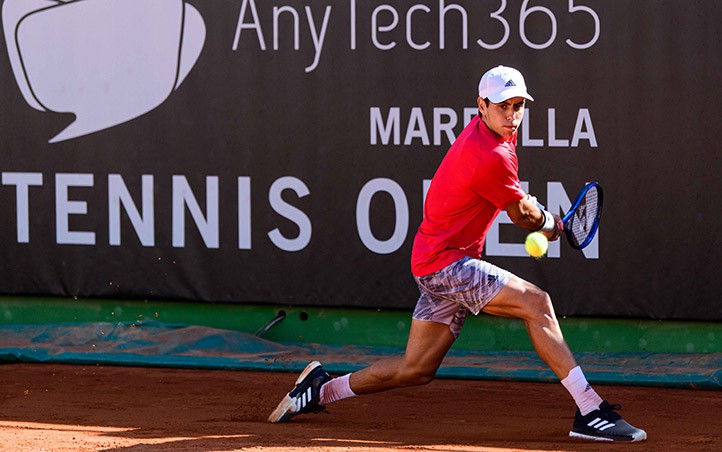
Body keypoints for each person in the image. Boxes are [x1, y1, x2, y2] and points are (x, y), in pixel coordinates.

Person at [267, 65, 647, 443]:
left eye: (518, 106)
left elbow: (516, 205)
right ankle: (591, 410)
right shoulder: (491, 155)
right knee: (538, 303)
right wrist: (553, 224)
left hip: (435, 260)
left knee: (416, 369)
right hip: (445, 264)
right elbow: (521, 216)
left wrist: (536, 213)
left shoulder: (491, 135)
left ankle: (319, 390)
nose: (512, 115)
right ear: (481, 105)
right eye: (503, 106)